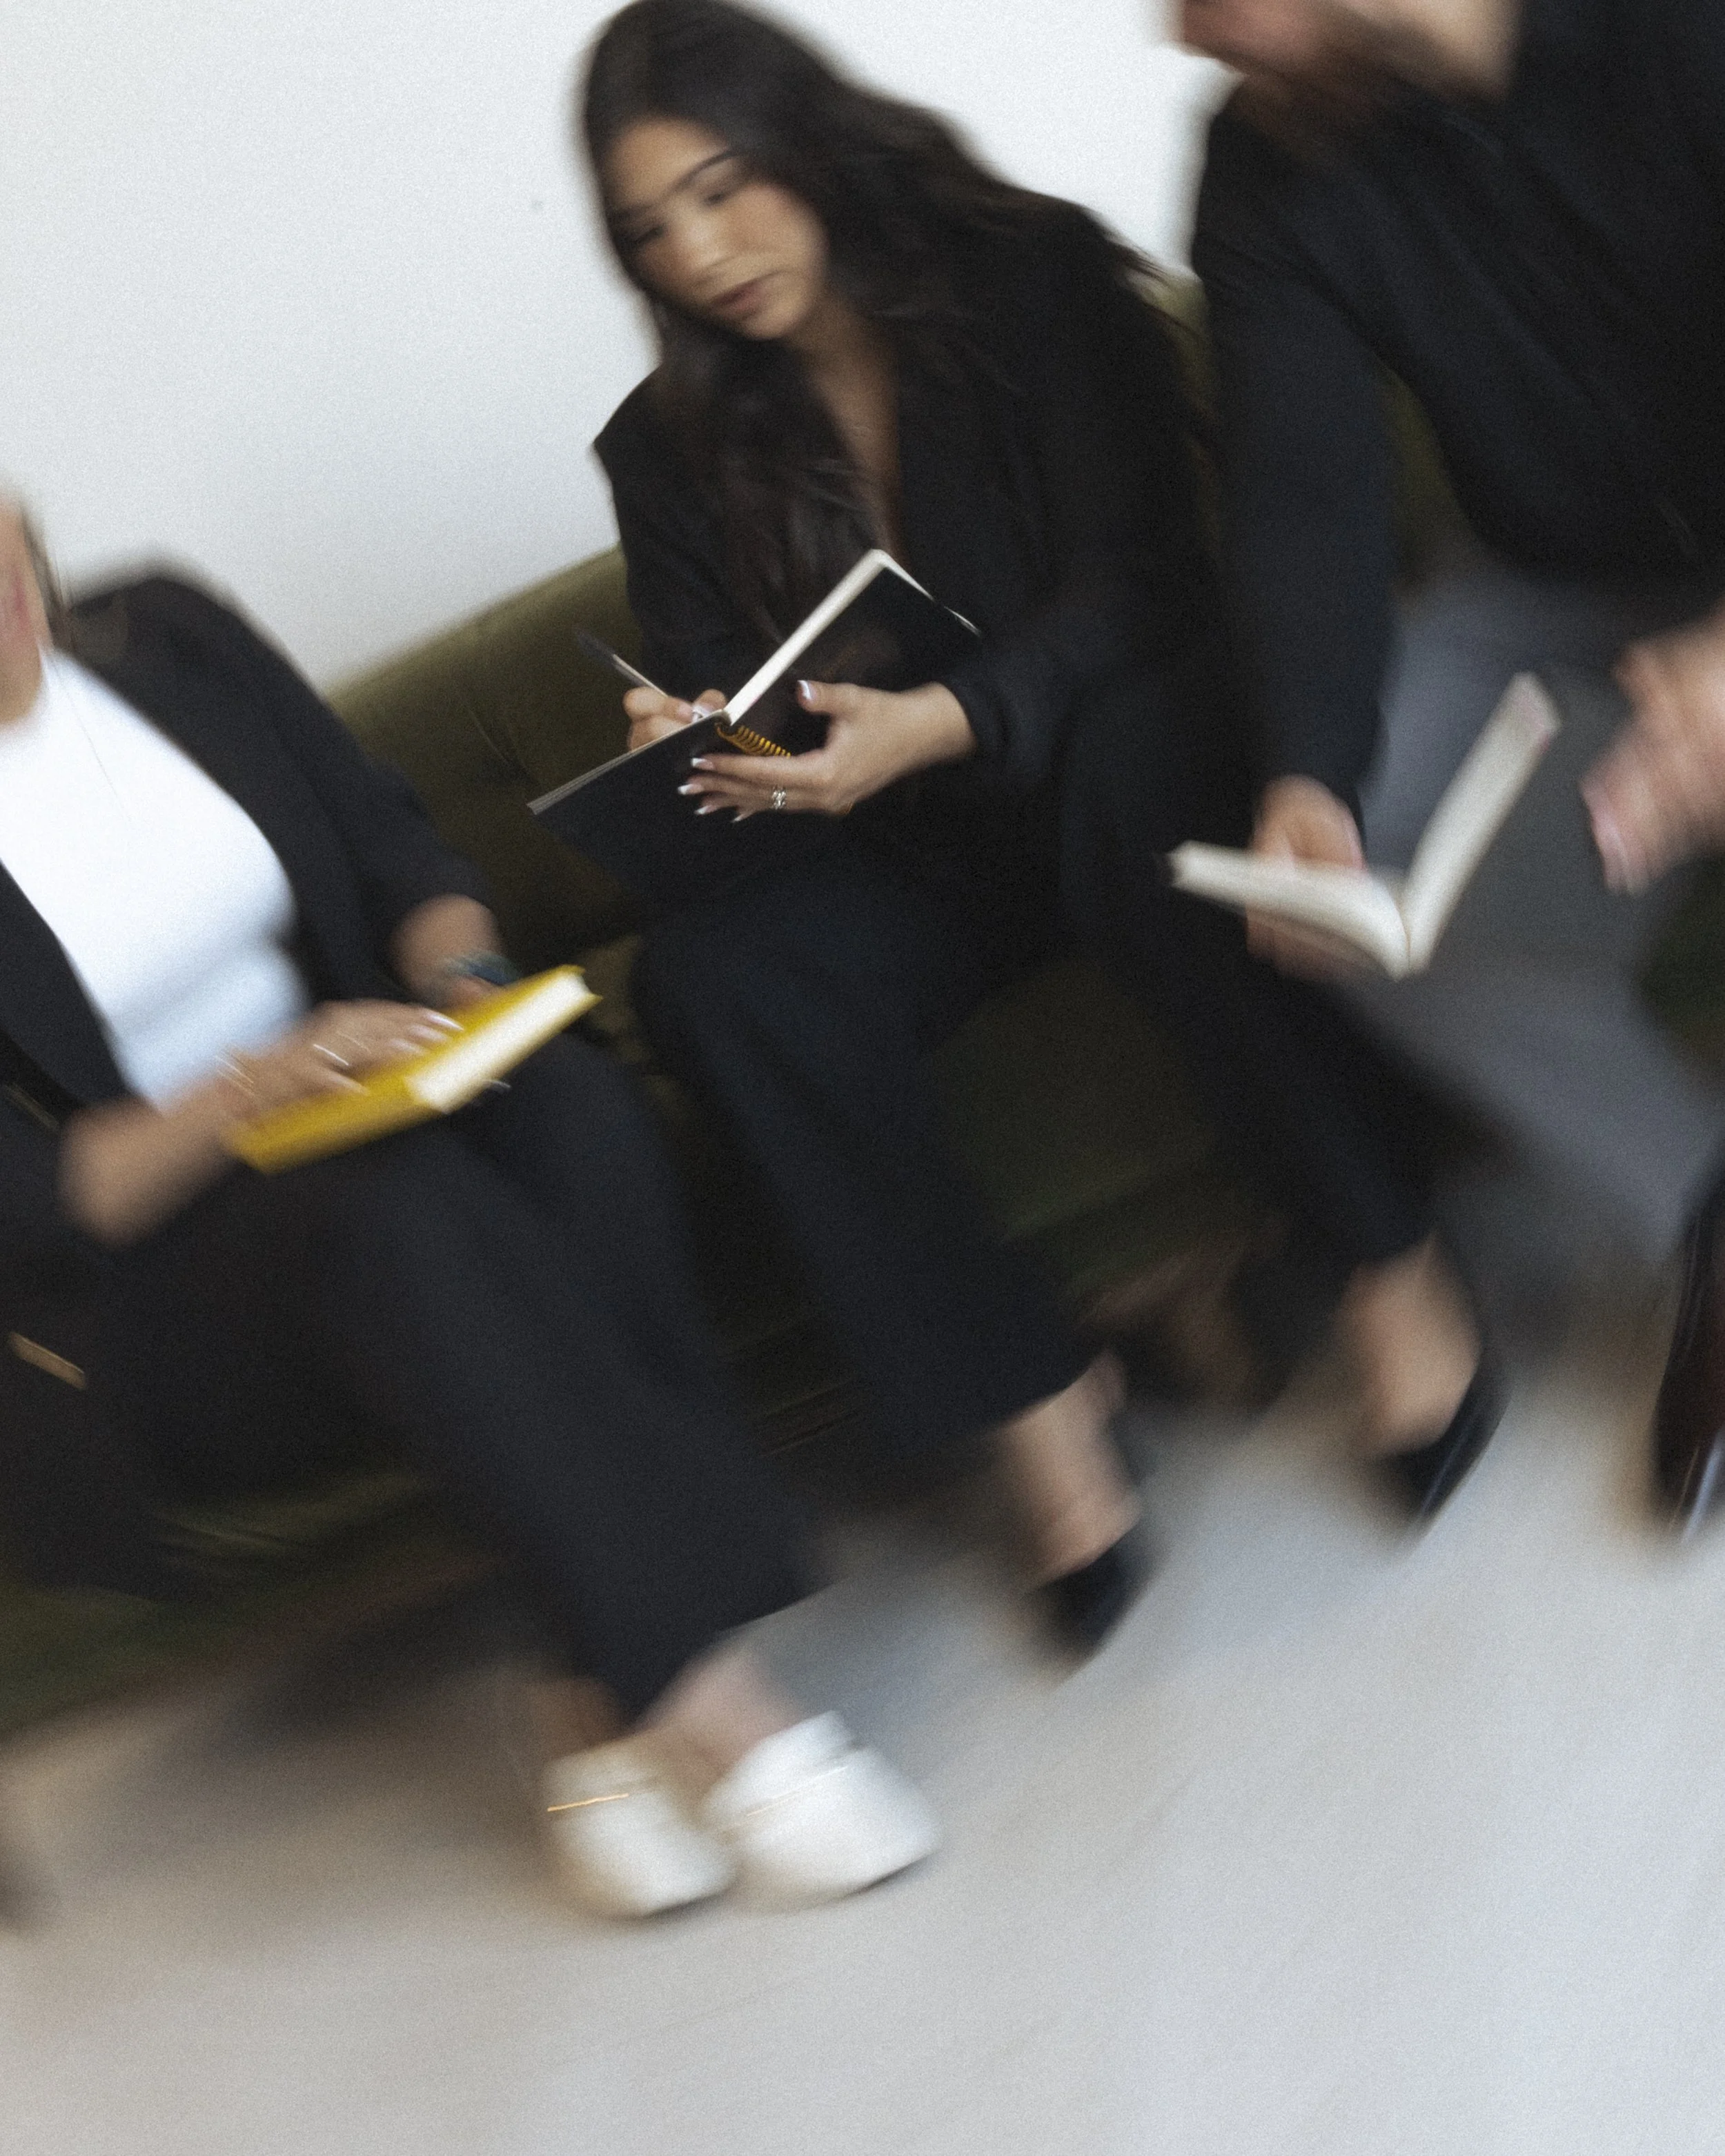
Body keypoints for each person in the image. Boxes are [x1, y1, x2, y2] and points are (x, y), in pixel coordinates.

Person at [576, 0, 1478, 1570]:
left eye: (723, 186)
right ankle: (1036, 1399)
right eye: (652, 229)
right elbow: (734, 683)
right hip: (911, 841)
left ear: (803, 138)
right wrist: (700, 730)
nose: (700, 251)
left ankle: (1389, 1268)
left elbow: (1141, 584)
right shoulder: (663, 445)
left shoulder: (1028, 274)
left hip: (1107, 746)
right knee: (714, 981)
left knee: (1136, 761)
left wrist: (946, 717)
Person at [0, 497, 938, 1919]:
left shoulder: (165, 632)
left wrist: (463, 1003)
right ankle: (724, 1715)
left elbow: (396, 848)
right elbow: (41, 1203)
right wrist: (258, 1086)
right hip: (154, 1293)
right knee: (393, 1212)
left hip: (375, 1104)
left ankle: (588, 1719)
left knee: (569, 1106)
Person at [1179, 0, 1725, 1526]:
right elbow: (1300, 498)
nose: (1184, 35)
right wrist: (1306, 781)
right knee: (1369, 874)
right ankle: (1704, 1212)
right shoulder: (1263, 160)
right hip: (1564, 588)